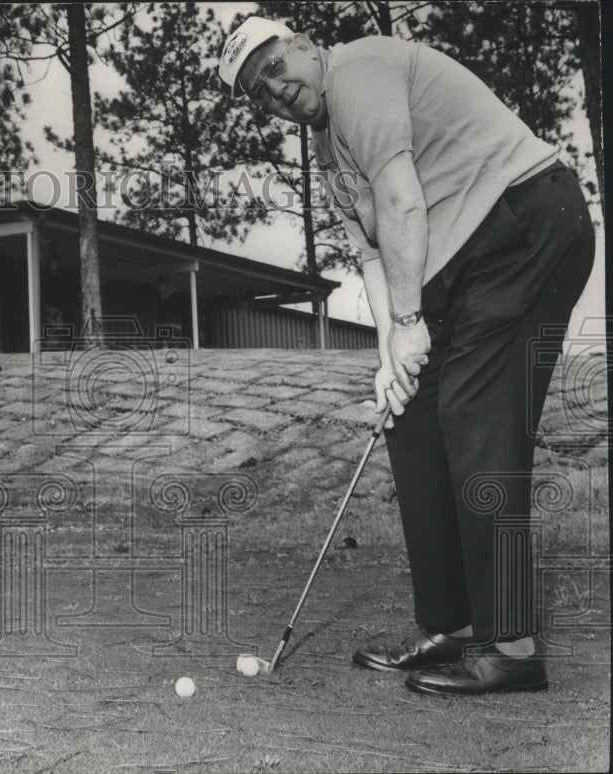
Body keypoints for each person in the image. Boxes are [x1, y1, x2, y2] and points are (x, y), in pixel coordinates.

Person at [219, 17, 595, 695]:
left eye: (276, 68)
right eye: (260, 93)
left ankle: (511, 645)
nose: (278, 92)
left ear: (305, 44)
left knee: (479, 420)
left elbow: (400, 201)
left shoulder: (359, 72)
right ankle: (451, 624)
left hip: (527, 223)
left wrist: (411, 319)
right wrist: (392, 354)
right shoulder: (328, 149)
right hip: (466, 259)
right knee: (412, 417)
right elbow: (371, 252)